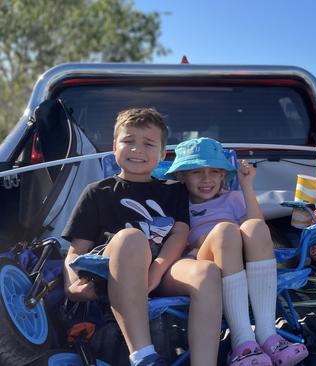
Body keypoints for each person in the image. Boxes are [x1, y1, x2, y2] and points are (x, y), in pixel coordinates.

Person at [62, 108, 222, 366]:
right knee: (131, 238)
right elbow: (75, 251)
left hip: (163, 269)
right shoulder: (97, 193)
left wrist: (157, 270)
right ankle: (144, 355)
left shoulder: (174, 191)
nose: (137, 149)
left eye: (148, 144)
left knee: (208, 273)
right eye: (128, 141)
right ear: (114, 147)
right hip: (116, 274)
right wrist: (72, 286)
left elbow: (179, 233)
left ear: (162, 154)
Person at [164, 137, 308, 366]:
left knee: (255, 226)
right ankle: (242, 342)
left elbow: (259, 231)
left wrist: (247, 187)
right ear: (181, 176)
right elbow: (171, 239)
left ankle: (267, 334)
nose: (206, 179)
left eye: (214, 171)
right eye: (196, 172)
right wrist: (196, 243)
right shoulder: (178, 203)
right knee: (225, 232)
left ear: (223, 175)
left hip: (240, 259)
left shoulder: (232, 198)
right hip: (204, 264)